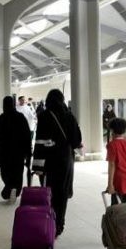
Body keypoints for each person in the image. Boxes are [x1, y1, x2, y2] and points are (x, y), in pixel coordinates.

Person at [33, 89, 82, 237]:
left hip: (49, 161)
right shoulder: (69, 115)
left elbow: (40, 142)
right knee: (62, 192)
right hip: (66, 160)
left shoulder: (44, 116)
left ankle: (49, 221)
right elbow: (77, 141)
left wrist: (37, 166)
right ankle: (59, 224)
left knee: (49, 192)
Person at [0, 96, 31, 203]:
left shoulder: (0, 119)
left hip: (4, 152)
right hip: (18, 152)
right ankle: (14, 189)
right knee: (17, 173)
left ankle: (10, 188)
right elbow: (27, 136)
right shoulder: (20, 117)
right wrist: (28, 152)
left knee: (5, 173)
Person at [105, 117, 126, 206]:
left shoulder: (111, 145)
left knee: (116, 207)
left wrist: (110, 184)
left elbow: (112, 165)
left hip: (119, 179)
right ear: (124, 130)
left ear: (112, 131)